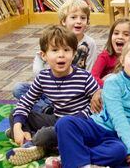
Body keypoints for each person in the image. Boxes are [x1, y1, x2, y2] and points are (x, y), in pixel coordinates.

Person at [54, 40, 130, 168]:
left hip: (114, 138)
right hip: (96, 126)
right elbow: (118, 116)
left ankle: (69, 157)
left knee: (119, 152)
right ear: (122, 60)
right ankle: (82, 163)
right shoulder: (113, 82)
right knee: (65, 123)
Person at [5, 25, 100, 165]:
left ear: (73, 54)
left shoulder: (84, 77)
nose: (61, 55)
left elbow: (97, 106)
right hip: (57, 118)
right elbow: (26, 102)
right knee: (15, 114)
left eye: (66, 50)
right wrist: (18, 127)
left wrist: (73, 122)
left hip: (78, 124)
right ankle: (38, 144)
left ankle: (33, 144)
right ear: (44, 55)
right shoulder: (43, 77)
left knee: (46, 134)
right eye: (55, 50)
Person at [13, 0, 99, 113]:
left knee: (95, 98)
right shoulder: (52, 39)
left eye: (83, 18)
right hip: (52, 89)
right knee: (19, 88)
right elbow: (38, 74)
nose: (78, 21)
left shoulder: (90, 43)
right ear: (63, 21)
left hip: (76, 92)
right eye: (73, 17)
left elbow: (90, 70)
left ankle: (47, 111)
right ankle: (46, 109)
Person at [91, 18, 130, 87]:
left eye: (126, 34)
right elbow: (93, 77)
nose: (120, 37)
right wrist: (111, 87)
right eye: (116, 33)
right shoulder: (104, 56)